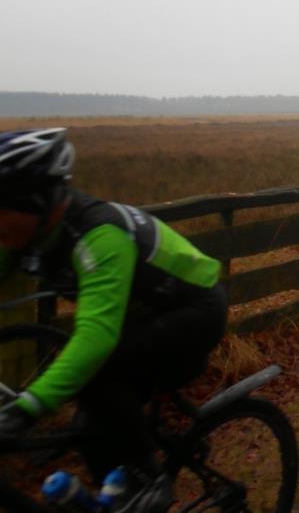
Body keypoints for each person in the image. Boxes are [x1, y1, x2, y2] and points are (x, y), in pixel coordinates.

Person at [0, 128, 227, 511]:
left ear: (37, 201)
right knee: (87, 429)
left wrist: (28, 408)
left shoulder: (99, 235)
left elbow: (96, 337)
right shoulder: (28, 234)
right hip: (142, 318)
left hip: (193, 311)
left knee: (98, 371)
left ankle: (148, 480)